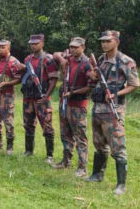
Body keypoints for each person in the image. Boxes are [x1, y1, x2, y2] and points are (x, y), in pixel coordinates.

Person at [86, 30, 139, 195]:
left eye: (108, 41)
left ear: (116, 41)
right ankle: (97, 174)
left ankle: (121, 185)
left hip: (113, 109)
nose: (104, 44)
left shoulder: (126, 61)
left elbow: (134, 84)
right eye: (102, 41)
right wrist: (93, 75)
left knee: (117, 146)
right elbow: (96, 79)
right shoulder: (101, 59)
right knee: (98, 143)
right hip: (98, 107)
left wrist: (116, 94)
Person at [51, 37, 92, 177]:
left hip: (78, 106)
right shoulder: (69, 60)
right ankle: (65, 161)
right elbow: (55, 54)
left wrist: (73, 92)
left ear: (83, 47)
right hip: (65, 104)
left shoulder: (87, 64)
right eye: (71, 47)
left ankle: (82, 167)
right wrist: (62, 60)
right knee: (65, 134)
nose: (73, 49)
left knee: (80, 136)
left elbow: (89, 86)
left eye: (76, 47)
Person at [21, 34, 58, 164]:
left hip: (41, 99)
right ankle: (29, 151)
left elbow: (53, 79)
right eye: (31, 43)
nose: (33, 45)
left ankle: (49, 155)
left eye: (36, 43)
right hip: (28, 98)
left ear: (42, 43)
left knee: (47, 126)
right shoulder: (28, 59)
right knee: (28, 124)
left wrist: (46, 95)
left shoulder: (48, 59)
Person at [0, 39, 23, 155]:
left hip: (6, 95)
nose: (0, 49)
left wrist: (7, 84)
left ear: (9, 48)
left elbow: (19, 79)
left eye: (3, 47)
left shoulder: (13, 62)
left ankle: (10, 147)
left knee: (8, 120)